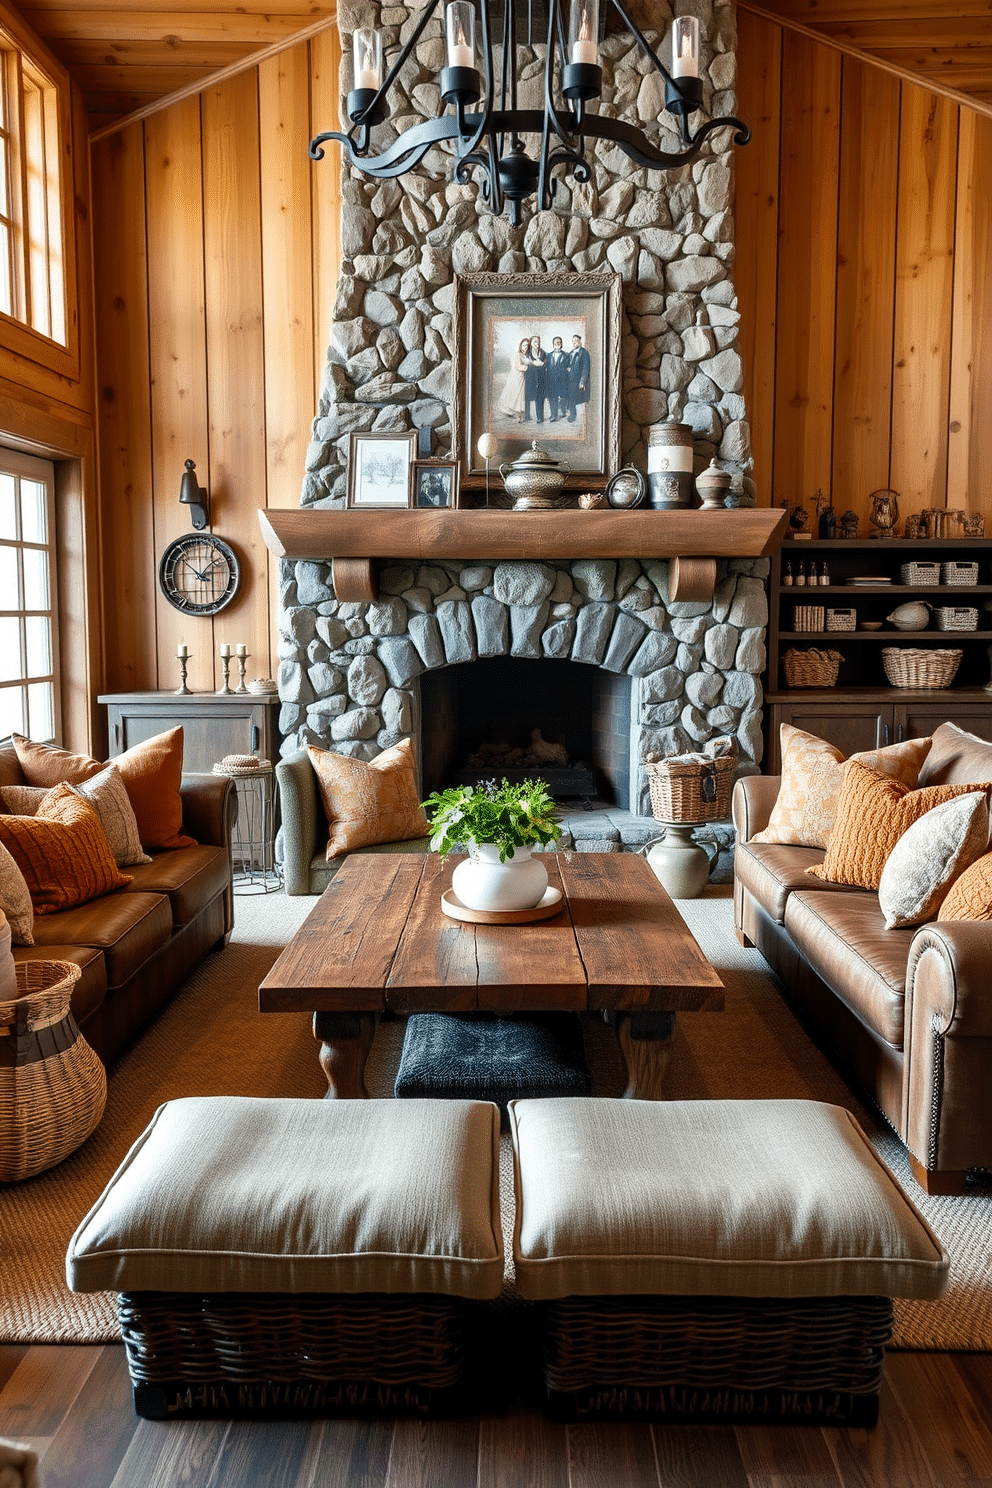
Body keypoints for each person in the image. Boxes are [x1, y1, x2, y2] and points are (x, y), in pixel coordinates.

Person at [497, 337, 529, 422]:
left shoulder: (525, 355)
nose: (525, 347)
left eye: (527, 346)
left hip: (522, 378)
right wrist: (528, 367)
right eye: (524, 345)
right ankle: (513, 413)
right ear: (520, 345)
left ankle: (519, 416)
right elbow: (518, 366)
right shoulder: (517, 354)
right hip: (516, 377)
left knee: (520, 396)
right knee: (515, 394)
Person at [566, 333, 591, 422]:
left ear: (580, 341)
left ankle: (581, 418)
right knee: (571, 398)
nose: (574, 343)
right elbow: (567, 363)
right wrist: (568, 368)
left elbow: (585, 368)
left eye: (576, 341)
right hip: (570, 380)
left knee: (580, 399)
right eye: (573, 341)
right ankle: (572, 416)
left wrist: (582, 381)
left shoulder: (584, 352)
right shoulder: (571, 353)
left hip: (578, 380)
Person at [524, 335, 548, 424]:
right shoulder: (528, 353)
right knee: (528, 396)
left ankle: (540, 417)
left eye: (538, 342)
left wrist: (542, 363)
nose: (536, 343)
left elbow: (546, 363)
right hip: (531, 378)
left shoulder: (543, 352)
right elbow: (527, 364)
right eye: (534, 341)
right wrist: (534, 364)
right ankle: (527, 416)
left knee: (540, 397)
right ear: (531, 343)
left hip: (541, 378)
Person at [546, 336, 569, 422]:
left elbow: (569, 366)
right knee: (553, 397)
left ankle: (563, 411)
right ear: (553, 345)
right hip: (551, 380)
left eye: (559, 343)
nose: (557, 345)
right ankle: (554, 415)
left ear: (561, 344)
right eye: (555, 343)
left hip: (562, 380)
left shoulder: (566, 355)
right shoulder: (549, 355)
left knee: (563, 397)